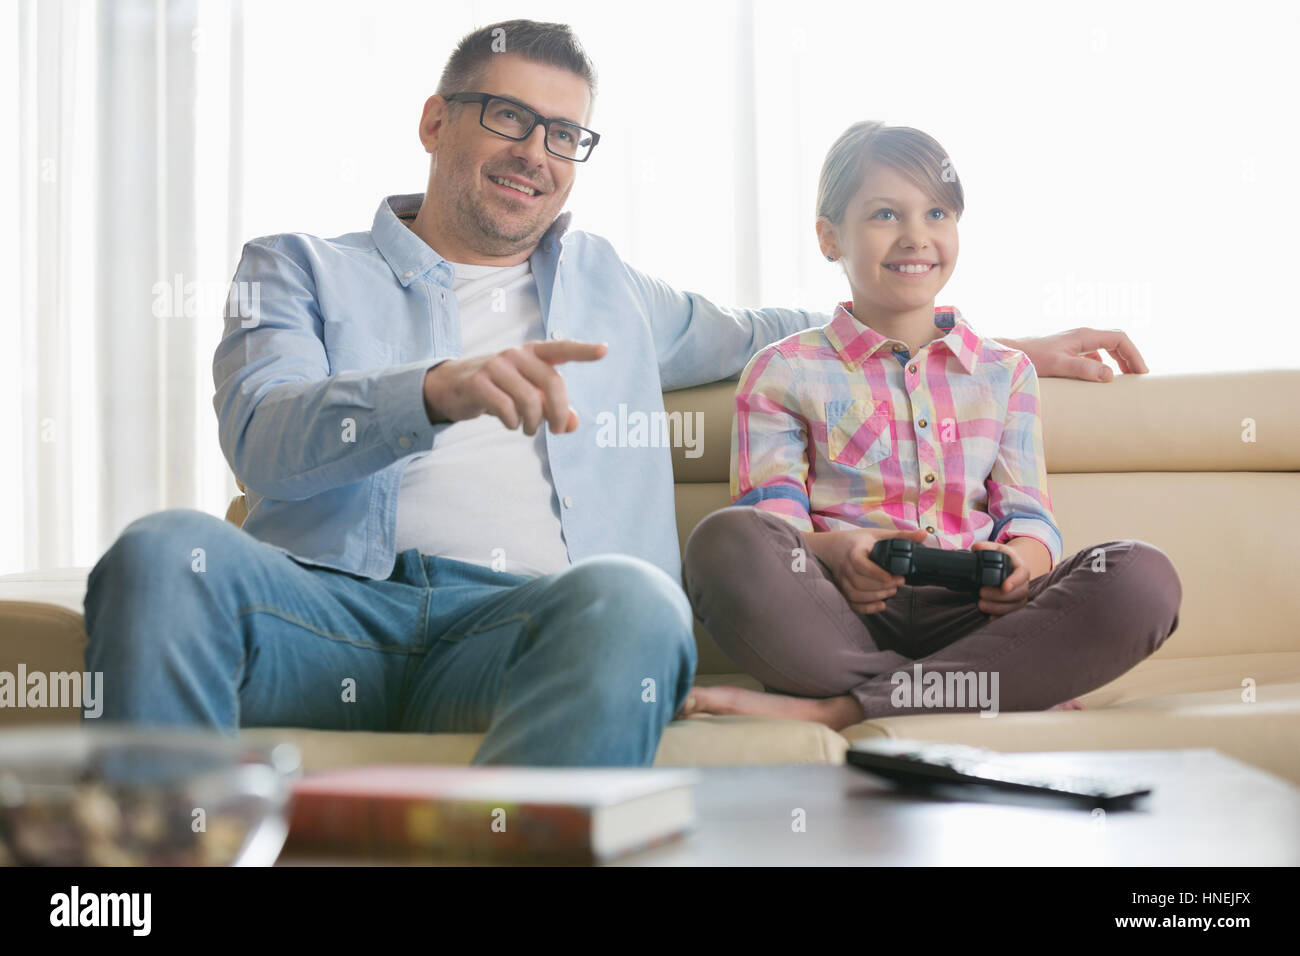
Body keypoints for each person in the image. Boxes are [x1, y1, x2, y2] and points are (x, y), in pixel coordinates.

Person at [84, 21, 1151, 766]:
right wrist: (435, 390)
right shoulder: (296, 268)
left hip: (528, 628)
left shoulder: (610, 289)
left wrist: (1002, 344)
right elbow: (262, 437)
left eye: (563, 133)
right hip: (324, 612)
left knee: (637, 599)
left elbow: (808, 328)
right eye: (507, 116)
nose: (535, 153)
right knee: (160, 551)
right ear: (433, 120)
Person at [679, 121, 1181, 730]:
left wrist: (1023, 561)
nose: (917, 237)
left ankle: (843, 708)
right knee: (725, 542)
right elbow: (773, 523)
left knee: (1141, 579)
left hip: (980, 615)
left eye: (937, 213)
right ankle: (993, 684)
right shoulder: (783, 370)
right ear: (829, 238)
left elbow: (1027, 514)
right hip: (841, 611)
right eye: (886, 214)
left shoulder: (1006, 372)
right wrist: (833, 551)